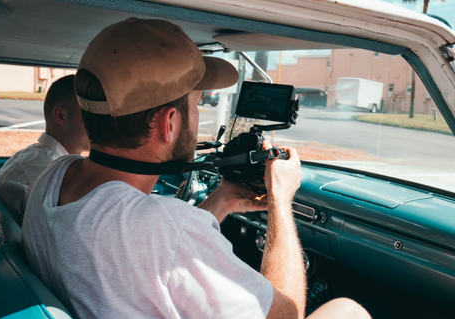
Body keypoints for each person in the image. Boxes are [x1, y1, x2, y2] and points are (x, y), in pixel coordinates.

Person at [22, 18, 370, 319]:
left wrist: (225, 200)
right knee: (348, 310)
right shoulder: (160, 225)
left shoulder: (52, 177)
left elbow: (155, 256)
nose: (198, 114)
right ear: (169, 123)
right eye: (196, 102)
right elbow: (287, 314)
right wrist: (280, 199)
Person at [0, 75, 90, 226]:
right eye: (89, 114)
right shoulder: (46, 179)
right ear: (60, 116)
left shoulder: (31, 158)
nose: (98, 124)